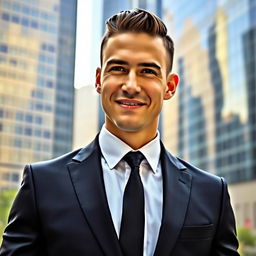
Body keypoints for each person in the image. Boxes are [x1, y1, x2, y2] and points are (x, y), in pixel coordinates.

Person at [0, 8, 239, 256]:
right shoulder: (42, 184)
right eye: (118, 69)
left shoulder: (212, 193)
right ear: (98, 80)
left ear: (169, 86)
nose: (131, 85)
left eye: (147, 71)